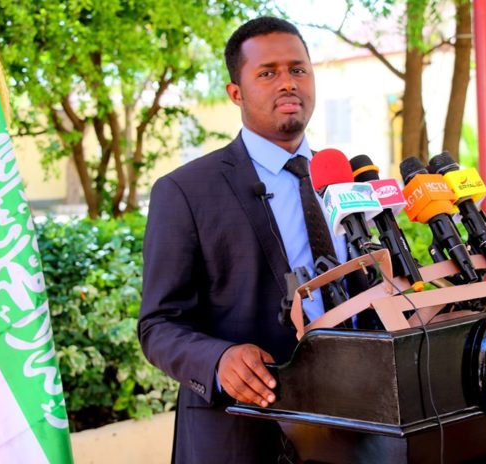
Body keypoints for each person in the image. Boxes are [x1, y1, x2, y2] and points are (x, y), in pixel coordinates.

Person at [138, 16, 348, 463]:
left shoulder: (346, 179)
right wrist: (219, 359)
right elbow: (158, 325)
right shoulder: (185, 191)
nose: (288, 82)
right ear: (236, 93)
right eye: (267, 73)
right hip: (242, 435)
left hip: (356, 428)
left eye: (298, 69)